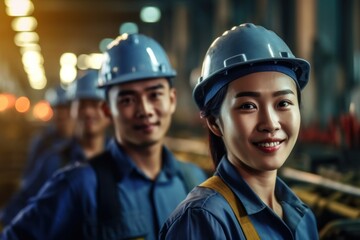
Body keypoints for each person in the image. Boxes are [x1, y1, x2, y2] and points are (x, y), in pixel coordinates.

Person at [1, 33, 208, 240]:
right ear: (108, 110)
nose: (144, 110)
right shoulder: (79, 186)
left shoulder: (194, 182)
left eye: (154, 95)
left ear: (172, 100)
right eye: (127, 100)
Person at [160, 23, 319, 239]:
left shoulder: (302, 217)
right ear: (215, 123)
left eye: (283, 103)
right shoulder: (203, 220)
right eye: (248, 106)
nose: (270, 123)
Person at [0, 69, 110, 228]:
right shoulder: (54, 159)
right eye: (81, 105)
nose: (88, 112)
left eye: (95, 104)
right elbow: (25, 200)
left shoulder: (124, 161)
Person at [0, 85, 74, 227]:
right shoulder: (48, 151)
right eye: (59, 111)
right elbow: (28, 190)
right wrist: (5, 219)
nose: (62, 116)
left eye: (67, 110)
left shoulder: (102, 152)